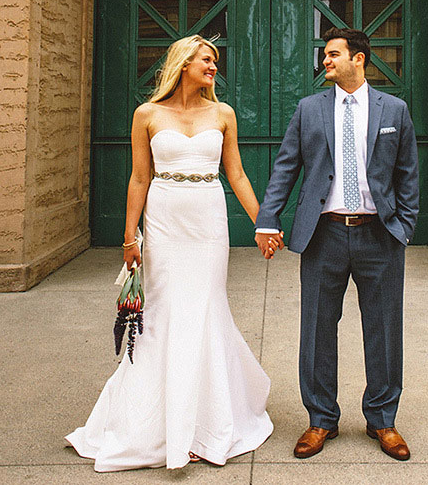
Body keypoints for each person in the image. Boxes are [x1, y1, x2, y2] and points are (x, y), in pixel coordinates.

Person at [66, 34, 274, 471]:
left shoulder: (223, 113)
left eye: (215, 61)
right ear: (183, 64)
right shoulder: (147, 114)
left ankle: (207, 422)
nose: (213, 67)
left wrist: (263, 222)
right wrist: (129, 238)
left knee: (205, 308)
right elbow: (139, 178)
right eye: (206, 60)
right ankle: (154, 426)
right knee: (164, 313)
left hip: (207, 222)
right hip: (163, 222)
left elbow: (235, 174)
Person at [255, 27, 419, 462]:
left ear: (358, 59)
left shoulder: (394, 109)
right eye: (325, 55)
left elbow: (407, 173)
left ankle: (383, 419)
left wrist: (404, 226)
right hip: (323, 234)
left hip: (379, 234)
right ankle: (321, 418)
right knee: (316, 330)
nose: (325, 61)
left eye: (332, 54)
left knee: (384, 329)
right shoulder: (309, 109)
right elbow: (286, 166)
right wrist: (268, 219)